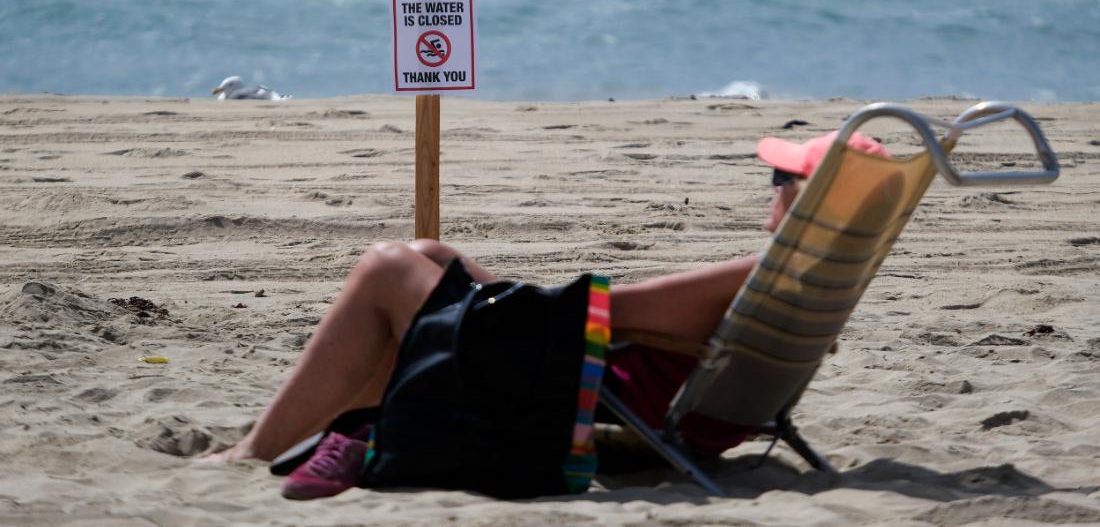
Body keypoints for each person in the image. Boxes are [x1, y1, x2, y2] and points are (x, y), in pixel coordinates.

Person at [205, 130, 890, 499]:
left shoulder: (754, 273)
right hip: (611, 378)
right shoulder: (816, 272)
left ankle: (259, 447)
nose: (769, 191)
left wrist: (509, 294)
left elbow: (606, 312)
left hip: (581, 390)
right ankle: (339, 430)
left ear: (806, 201)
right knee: (430, 253)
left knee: (389, 264)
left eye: (781, 182)